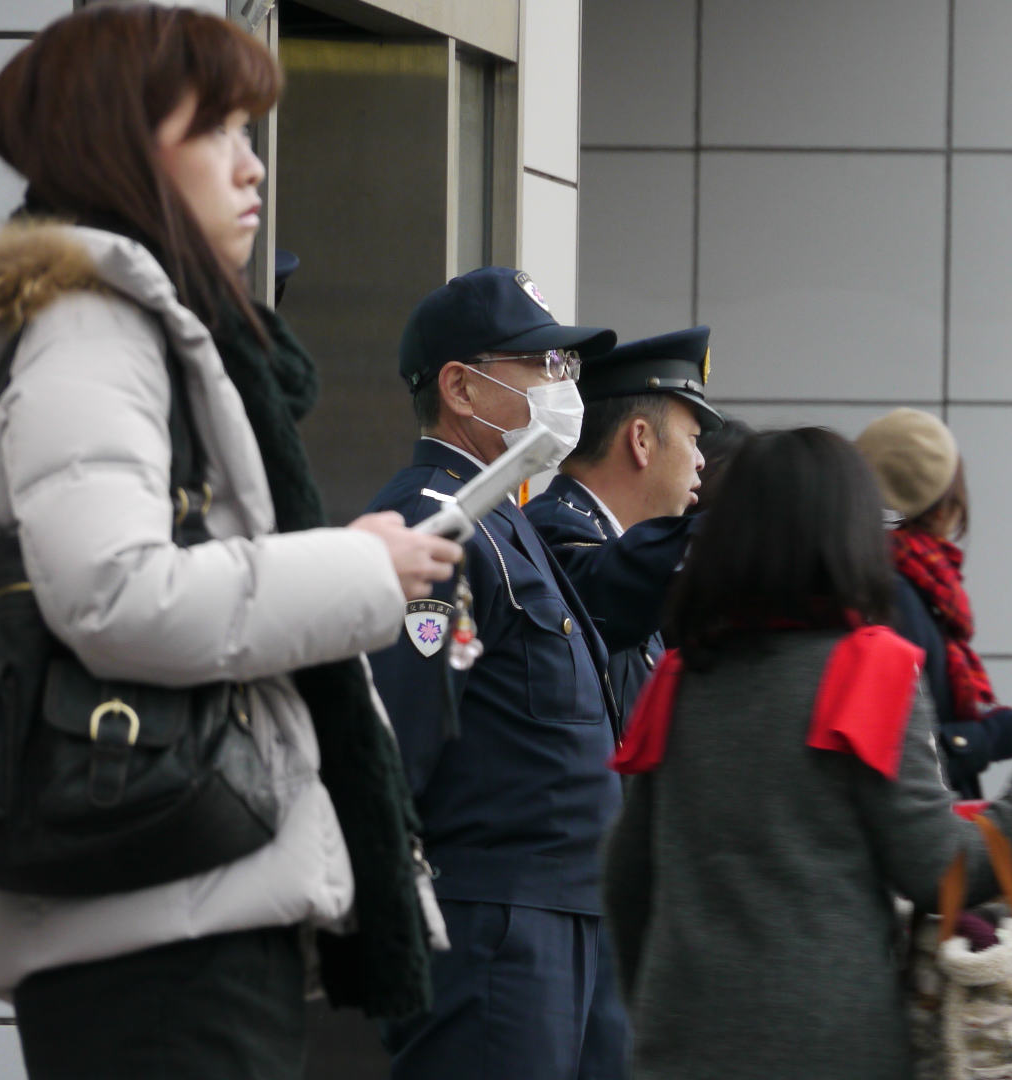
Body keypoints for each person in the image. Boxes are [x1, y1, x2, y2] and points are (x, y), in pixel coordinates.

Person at [0, 6, 463, 1076]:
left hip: (174, 907)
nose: (253, 166)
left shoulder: (118, 321)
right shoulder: (97, 325)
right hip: (167, 930)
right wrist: (364, 571)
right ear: (120, 144)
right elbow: (117, 597)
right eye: (219, 129)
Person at [600, 427, 1012, 1080]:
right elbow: (939, 868)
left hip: (682, 1042)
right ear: (851, 532)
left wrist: (662, 1007)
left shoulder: (679, 679)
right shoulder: (868, 668)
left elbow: (626, 877)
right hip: (830, 1043)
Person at [365, 266, 628, 1080]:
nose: (564, 386)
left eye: (567, 368)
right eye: (541, 366)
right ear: (462, 389)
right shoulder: (437, 524)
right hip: (493, 921)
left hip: (559, 913)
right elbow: (400, 736)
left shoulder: (500, 516)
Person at [524, 326, 720, 723]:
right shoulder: (553, 531)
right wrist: (741, 527)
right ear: (641, 440)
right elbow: (607, 586)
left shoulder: (612, 540)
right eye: (693, 438)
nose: (701, 461)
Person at [856, 408, 1012, 799]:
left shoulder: (876, 574)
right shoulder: (896, 592)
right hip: (917, 840)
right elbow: (899, 754)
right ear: (944, 503)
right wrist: (993, 735)